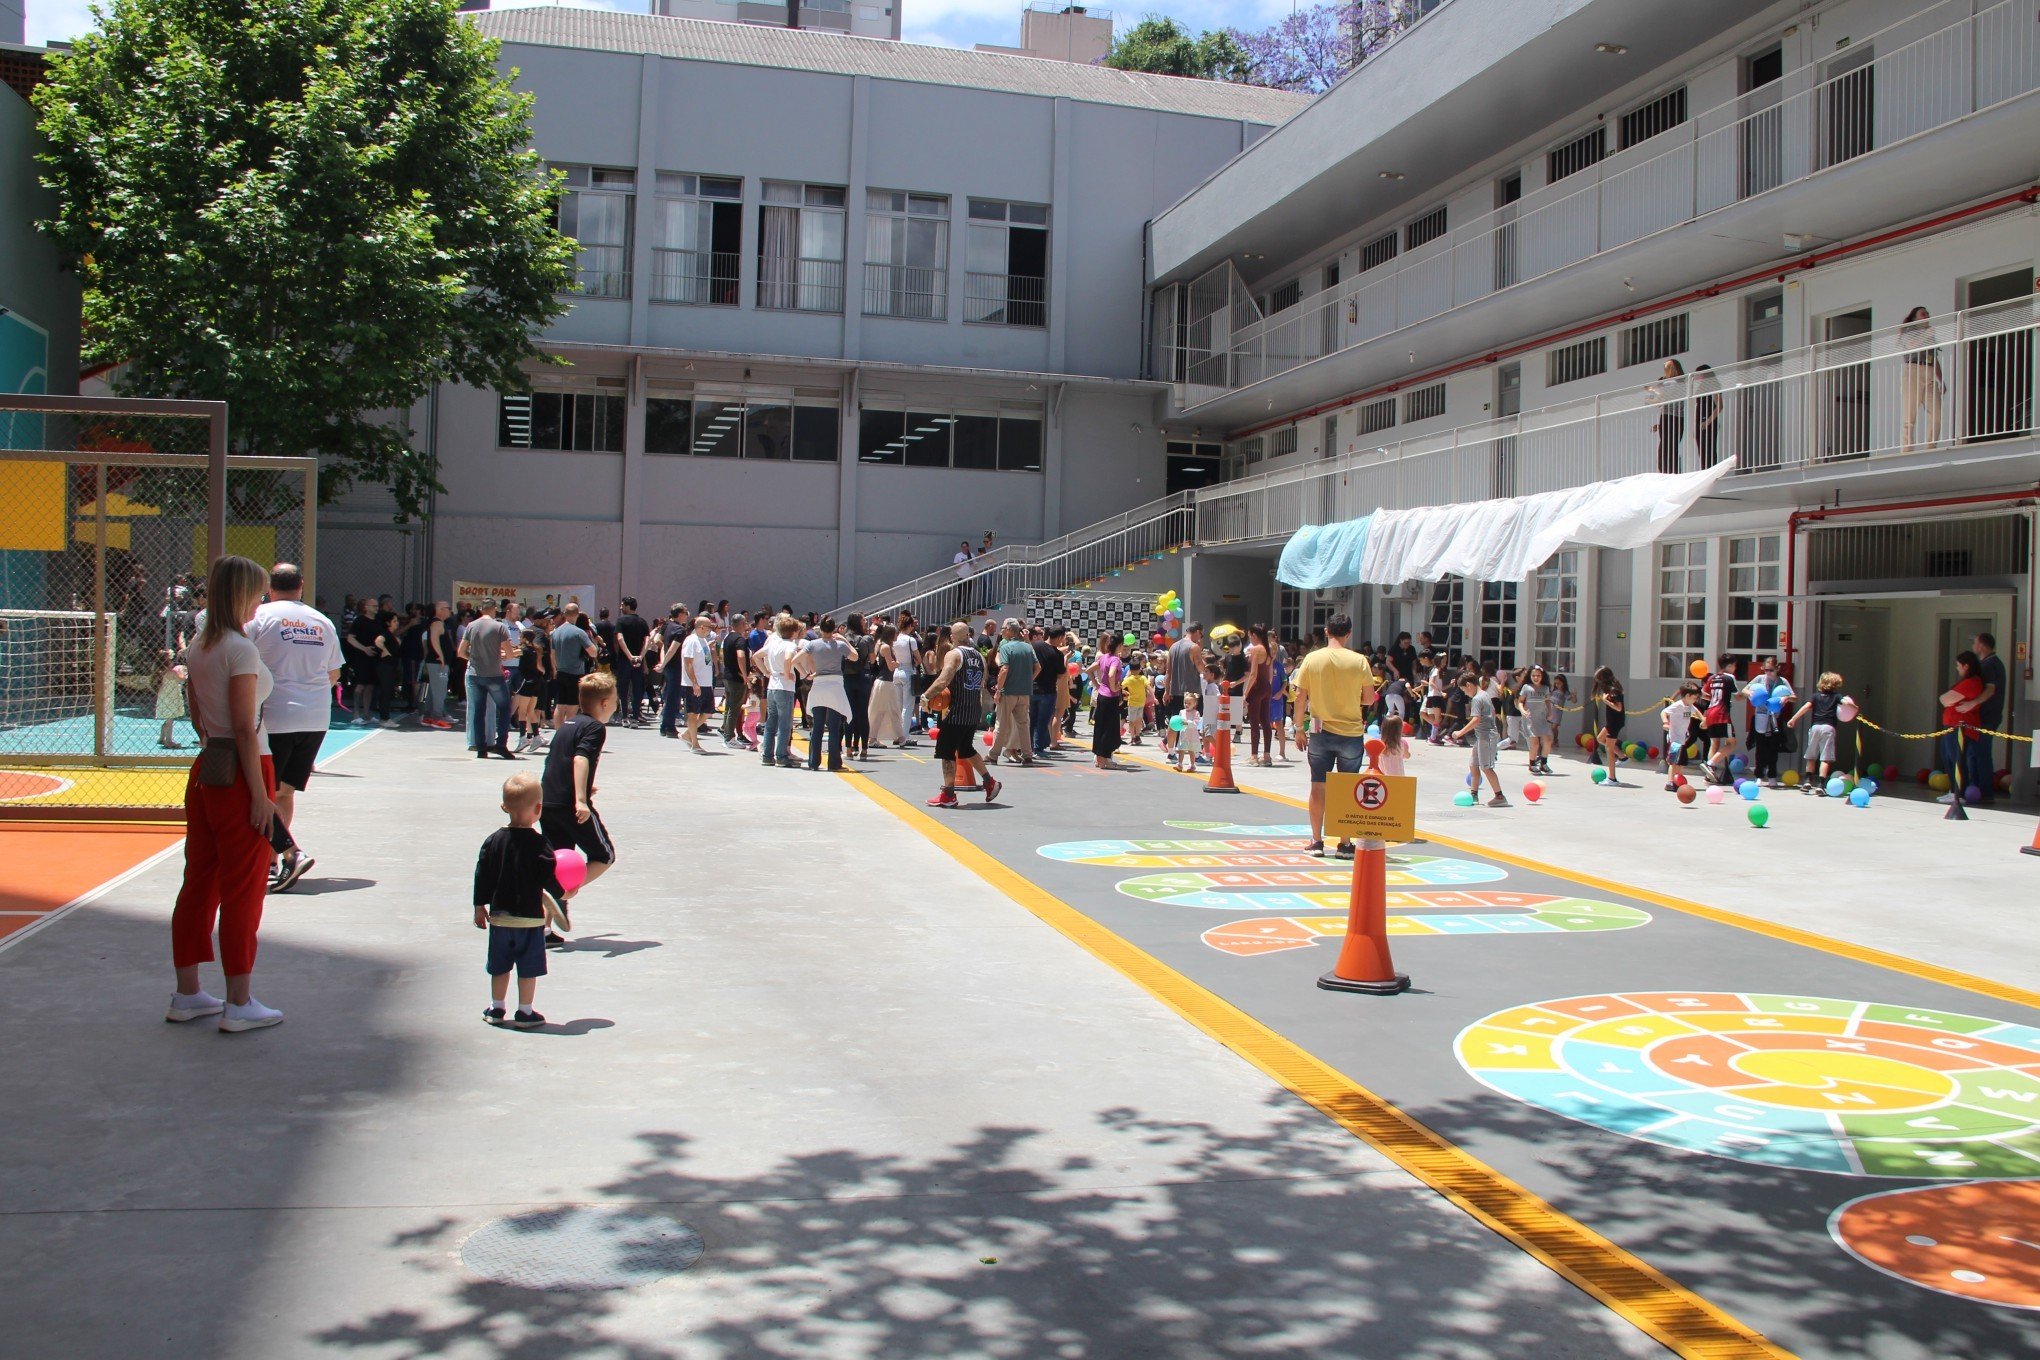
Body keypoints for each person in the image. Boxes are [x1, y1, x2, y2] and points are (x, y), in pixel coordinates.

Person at [168, 555, 285, 1034]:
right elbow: (243, 726)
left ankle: (188, 991)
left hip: (208, 768)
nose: (262, 598)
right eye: (257, 591)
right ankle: (239, 1000)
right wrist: (260, 795)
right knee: (243, 888)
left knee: (199, 879)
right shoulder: (240, 649)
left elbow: (200, 716)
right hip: (243, 768)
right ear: (242, 594)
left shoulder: (199, 645)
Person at [245, 563, 341, 893]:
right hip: (315, 717)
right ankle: (277, 857)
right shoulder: (322, 621)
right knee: (284, 791)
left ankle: (283, 854)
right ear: (301, 585)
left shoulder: (259, 617)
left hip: (276, 715)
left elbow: (243, 662)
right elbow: (334, 674)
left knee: (263, 791)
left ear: (269, 587)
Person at [473, 771, 569, 1029]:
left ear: (504, 806)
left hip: (501, 919)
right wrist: (564, 892)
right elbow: (548, 876)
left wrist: (479, 906)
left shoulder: (493, 841)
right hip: (530, 920)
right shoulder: (540, 844)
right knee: (528, 969)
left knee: (499, 966)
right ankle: (525, 1012)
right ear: (539, 808)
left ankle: (496, 1007)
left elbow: (483, 875)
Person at [1292, 613, 1378, 857]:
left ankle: (1317, 841)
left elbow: (1300, 696)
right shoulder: (1360, 661)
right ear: (1349, 633)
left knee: (1318, 784)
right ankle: (1345, 842)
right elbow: (1370, 698)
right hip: (1351, 731)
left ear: (1326, 631)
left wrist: (1299, 728)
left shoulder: (1312, 659)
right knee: (1347, 787)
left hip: (1320, 729)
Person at [540, 670, 618, 921]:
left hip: (549, 801)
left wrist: (581, 787)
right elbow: (580, 758)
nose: (615, 705)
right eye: (615, 700)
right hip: (570, 806)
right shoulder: (595, 727)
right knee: (604, 856)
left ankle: (546, 927)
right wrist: (581, 800)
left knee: (559, 864)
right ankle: (558, 892)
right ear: (604, 703)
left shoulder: (568, 724)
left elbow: (556, 762)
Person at [924, 621, 999, 808]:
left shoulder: (954, 654)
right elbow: (982, 682)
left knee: (946, 750)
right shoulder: (979, 657)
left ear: (952, 637)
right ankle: (990, 782)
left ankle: (948, 794)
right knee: (966, 749)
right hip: (973, 709)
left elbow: (943, 680)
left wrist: (926, 696)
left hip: (957, 711)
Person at [458, 599, 516, 759]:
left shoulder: (471, 626)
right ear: (494, 609)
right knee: (505, 708)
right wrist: (499, 657)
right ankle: (501, 744)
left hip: (475, 674)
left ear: (481, 609)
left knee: (478, 710)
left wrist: (474, 658)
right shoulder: (499, 627)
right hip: (494, 674)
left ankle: (480, 747)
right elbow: (510, 654)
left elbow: (461, 651)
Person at [798, 617, 854, 772]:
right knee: (834, 727)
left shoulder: (813, 644)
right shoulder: (840, 645)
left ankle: (813, 762)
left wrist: (807, 673)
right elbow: (855, 657)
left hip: (819, 684)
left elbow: (796, 659)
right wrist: (844, 640)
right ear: (834, 629)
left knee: (817, 726)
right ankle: (834, 763)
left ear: (821, 629)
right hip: (835, 685)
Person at [1938, 652, 1988, 805]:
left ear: (1966, 666)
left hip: (1959, 727)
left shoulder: (1972, 683)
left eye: (1958, 665)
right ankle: (1953, 791)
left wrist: (1950, 702)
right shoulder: (1968, 682)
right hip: (1951, 726)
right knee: (1949, 757)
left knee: (1956, 758)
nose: (1957, 668)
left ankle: (1958, 793)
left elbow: (1945, 699)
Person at [987, 619, 1037, 767]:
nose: (1001, 631)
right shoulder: (1028, 647)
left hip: (1009, 691)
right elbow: (1038, 667)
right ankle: (1027, 755)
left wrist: (999, 690)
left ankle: (993, 755)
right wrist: (1028, 680)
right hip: (1024, 691)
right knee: (1023, 724)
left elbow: (1004, 669)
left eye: (1003, 628)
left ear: (1009, 630)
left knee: (1000, 724)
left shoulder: (1006, 647)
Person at [1787, 671, 1845, 794]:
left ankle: (1807, 781)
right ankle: (1821, 785)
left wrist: (1793, 719)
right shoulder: (1837, 696)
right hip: (1828, 728)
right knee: (1825, 758)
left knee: (1811, 755)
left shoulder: (1815, 696)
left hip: (1815, 727)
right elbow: (1846, 702)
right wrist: (1854, 707)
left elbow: (1806, 707)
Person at [1454, 672, 1507, 806]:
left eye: (1464, 690)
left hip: (1486, 736)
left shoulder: (1477, 698)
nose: (1465, 693)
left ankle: (1499, 796)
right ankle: (1474, 794)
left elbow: (1476, 719)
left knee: (1486, 767)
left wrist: (1460, 732)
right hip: (1482, 736)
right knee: (1473, 764)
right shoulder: (1485, 694)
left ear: (1469, 685)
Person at [758, 614, 803, 768]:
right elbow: (788, 658)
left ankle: (767, 755)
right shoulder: (790, 645)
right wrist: (786, 673)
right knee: (784, 724)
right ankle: (782, 755)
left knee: (771, 722)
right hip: (785, 687)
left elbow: (756, 656)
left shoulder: (773, 644)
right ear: (794, 632)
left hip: (772, 685)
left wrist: (766, 671)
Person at [1899, 306, 1945, 451]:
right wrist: (1926, 334)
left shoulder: (1929, 335)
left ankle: (1931, 446)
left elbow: (1933, 358)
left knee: (1936, 412)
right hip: (1913, 369)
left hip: (1929, 371)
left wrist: (1941, 380)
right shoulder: (1909, 331)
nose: (1927, 316)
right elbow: (1911, 345)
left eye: (1927, 314)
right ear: (1915, 318)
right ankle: (1907, 448)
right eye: (1923, 314)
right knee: (1910, 413)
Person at [1970, 632, 2006, 802]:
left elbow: (1990, 689)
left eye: (1975, 643)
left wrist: (1972, 703)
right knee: (1977, 753)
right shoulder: (1994, 663)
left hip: (1986, 717)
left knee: (1980, 754)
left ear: (1982, 646)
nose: (1973, 646)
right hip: (1989, 716)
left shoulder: (1989, 665)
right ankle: (1978, 788)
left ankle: (1983, 791)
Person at [1743, 658, 1789, 789]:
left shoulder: (1782, 682)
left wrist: (1785, 698)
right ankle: (1759, 775)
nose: (1768, 672)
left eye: (1771, 670)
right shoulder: (1759, 679)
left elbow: (1792, 696)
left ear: (1777, 669)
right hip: (1761, 715)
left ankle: (1772, 775)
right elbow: (1745, 690)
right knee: (1760, 747)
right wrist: (1751, 693)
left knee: (1773, 748)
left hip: (1775, 717)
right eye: (1766, 670)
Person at [1164, 622, 1205, 763]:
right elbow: (1201, 668)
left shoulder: (1173, 647)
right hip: (1191, 692)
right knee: (1195, 723)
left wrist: (1166, 691)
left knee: (1174, 722)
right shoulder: (1194, 647)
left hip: (1175, 690)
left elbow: (1168, 671)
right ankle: (1197, 756)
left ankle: (1170, 753)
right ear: (1198, 632)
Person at [676, 613, 717, 753]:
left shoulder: (703, 640)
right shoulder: (691, 641)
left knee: (708, 711)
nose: (710, 630)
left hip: (706, 683)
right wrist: (694, 683)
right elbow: (688, 663)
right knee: (693, 713)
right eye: (708, 627)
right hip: (694, 683)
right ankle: (695, 743)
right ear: (700, 627)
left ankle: (688, 734)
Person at [550, 603, 596, 730]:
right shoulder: (579, 632)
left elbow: (552, 654)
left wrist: (555, 669)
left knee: (560, 705)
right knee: (572, 705)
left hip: (560, 672)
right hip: (575, 673)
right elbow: (593, 652)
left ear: (564, 614)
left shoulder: (555, 632)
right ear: (577, 614)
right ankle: (568, 735)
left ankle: (559, 734)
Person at [1701, 656, 1739, 785]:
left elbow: (1703, 694)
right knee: (1731, 743)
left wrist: (1714, 698)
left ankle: (1708, 775)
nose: (1735, 668)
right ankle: (1710, 764)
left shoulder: (1712, 678)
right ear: (1729, 666)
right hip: (1722, 713)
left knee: (1714, 743)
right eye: (1734, 666)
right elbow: (1738, 696)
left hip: (1710, 712)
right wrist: (1748, 692)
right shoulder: (1730, 678)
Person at [720, 610, 755, 750]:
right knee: (734, 708)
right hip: (736, 679)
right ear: (741, 623)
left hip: (728, 676)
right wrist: (745, 674)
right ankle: (729, 737)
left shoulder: (728, 638)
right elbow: (741, 656)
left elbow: (722, 654)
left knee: (729, 707)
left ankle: (726, 733)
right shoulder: (740, 640)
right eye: (745, 622)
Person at [613, 597, 651, 726]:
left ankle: (624, 717)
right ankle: (635, 716)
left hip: (625, 661)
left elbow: (619, 639)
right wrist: (640, 656)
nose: (621, 607)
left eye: (622, 605)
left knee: (623, 689)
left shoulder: (621, 621)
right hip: (638, 662)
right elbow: (647, 641)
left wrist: (629, 656)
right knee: (637, 689)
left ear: (628, 606)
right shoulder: (643, 622)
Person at [1091, 633, 1126, 770]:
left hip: (1102, 695)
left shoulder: (1104, 657)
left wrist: (1097, 684)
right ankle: (1104, 758)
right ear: (1119, 645)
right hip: (1110, 697)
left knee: (1101, 727)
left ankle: (1101, 758)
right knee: (1109, 729)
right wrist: (1114, 687)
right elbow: (1111, 674)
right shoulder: (1115, 660)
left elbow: (1089, 670)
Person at [656, 605, 691, 739]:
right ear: (680, 614)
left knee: (670, 696)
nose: (687, 615)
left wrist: (662, 662)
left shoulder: (667, 625)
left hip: (668, 666)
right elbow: (673, 649)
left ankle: (665, 726)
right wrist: (663, 663)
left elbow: (657, 641)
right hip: (675, 666)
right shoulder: (680, 630)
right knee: (673, 698)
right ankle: (669, 727)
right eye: (685, 613)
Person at [869, 623, 906, 748]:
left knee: (885, 711)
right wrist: (898, 663)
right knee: (888, 710)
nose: (897, 635)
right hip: (885, 682)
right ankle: (900, 738)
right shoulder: (886, 647)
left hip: (886, 682)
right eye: (896, 633)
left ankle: (875, 738)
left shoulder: (883, 645)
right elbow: (890, 666)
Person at [420, 601, 456, 729]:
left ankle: (429, 716)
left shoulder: (438, 622)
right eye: (448, 608)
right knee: (440, 690)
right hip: (438, 662)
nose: (450, 610)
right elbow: (434, 639)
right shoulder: (437, 623)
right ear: (440, 610)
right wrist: (440, 656)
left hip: (437, 662)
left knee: (433, 691)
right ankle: (437, 718)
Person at [1242, 623, 1274, 766]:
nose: (1250, 639)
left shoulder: (1255, 649)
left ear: (1254, 635)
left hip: (1257, 687)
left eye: (1250, 636)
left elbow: (1253, 674)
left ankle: (1254, 755)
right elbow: (1270, 672)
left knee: (1254, 722)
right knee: (1266, 721)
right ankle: (1266, 755)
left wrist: (1245, 693)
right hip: (1267, 686)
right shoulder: (1269, 649)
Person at [1592, 665, 1628, 786]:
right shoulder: (1611, 689)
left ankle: (1612, 778)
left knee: (1609, 748)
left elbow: (1619, 708)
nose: (1597, 682)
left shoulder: (1614, 690)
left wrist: (1606, 701)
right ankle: (1623, 757)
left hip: (1615, 722)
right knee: (1600, 739)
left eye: (1598, 679)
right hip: (1611, 722)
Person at [1662, 681, 1700, 792]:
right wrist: (1665, 722)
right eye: (1694, 697)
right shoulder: (1677, 705)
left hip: (1682, 740)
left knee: (1682, 763)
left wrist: (1703, 719)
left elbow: (1697, 712)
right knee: (1674, 763)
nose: (1696, 700)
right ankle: (1669, 783)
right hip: (1675, 740)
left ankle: (1677, 780)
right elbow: (1664, 712)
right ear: (1687, 696)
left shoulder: (1689, 706)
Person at [1649, 358, 1686, 475]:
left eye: (1667, 368)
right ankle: (1671, 472)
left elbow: (1656, 400)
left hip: (1669, 417)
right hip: (1675, 418)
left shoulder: (1672, 382)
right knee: (1671, 447)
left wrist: (1653, 391)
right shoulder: (1681, 382)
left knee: (1666, 447)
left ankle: (1667, 472)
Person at [1517, 665, 1555, 775]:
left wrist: (1550, 712)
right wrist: (1522, 711)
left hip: (1542, 718)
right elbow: (1520, 701)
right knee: (1535, 743)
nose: (1536, 677)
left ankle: (1543, 763)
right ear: (1530, 676)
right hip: (1529, 719)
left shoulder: (1545, 688)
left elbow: (1547, 701)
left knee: (1548, 740)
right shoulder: (1526, 687)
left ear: (1542, 676)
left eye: (1538, 675)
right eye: (1533, 675)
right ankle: (1532, 764)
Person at [1692, 364, 1722, 468]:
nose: (1697, 377)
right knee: (1702, 449)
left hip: (1707, 422)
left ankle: (1710, 470)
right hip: (1700, 423)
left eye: (1698, 374)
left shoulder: (1713, 386)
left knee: (1709, 448)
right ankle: (1705, 469)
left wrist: (1708, 421)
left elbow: (1719, 406)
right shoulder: (1701, 387)